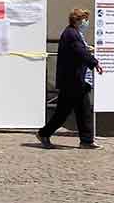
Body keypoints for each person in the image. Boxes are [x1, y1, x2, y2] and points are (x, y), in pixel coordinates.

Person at [37, 8, 103, 149]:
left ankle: (86, 141)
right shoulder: (71, 34)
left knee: (83, 110)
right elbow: (79, 52)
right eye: (84, 19)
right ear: (77, 20)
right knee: (63, 112)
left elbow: (79, 49)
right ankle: (44, 133)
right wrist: (95, 62)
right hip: (72, 81)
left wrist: (87, 49)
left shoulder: (75, 33)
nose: (87, 22)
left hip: (77, 81)